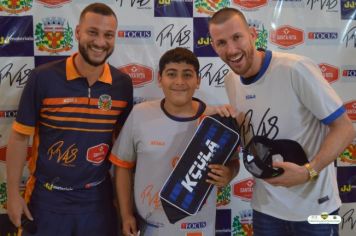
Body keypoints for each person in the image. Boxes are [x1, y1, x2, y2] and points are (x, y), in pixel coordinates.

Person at [208, 7, 355, 236]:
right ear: (214, 47)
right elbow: (251, 143)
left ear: (253, 34)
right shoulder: (231, 81)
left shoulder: (295, 68)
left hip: (318, 209)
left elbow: (345, 128)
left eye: (237, 37)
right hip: (265, 211)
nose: (232, 49)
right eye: (221, 43)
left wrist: (309, 171)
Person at [6, 3, 133, 236]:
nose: (100, 42)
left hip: (98, 202)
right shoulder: (42, 78)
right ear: (77, 33)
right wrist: (13, 194)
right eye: (92, 32)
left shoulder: (123, 85)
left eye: (108, 35)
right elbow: (18, 137)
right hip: (47, 201)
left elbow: (125, 150)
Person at [109, 47, 239, 236]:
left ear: (198, 80)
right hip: (150, 227)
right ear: (160, 79)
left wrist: (230, 173)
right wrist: (127, 214)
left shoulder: (215, 120)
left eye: (187, 75)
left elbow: (234, 162)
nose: (179, 82)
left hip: (199, 227)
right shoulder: (140, 114)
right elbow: (123, 167)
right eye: (171, 74)